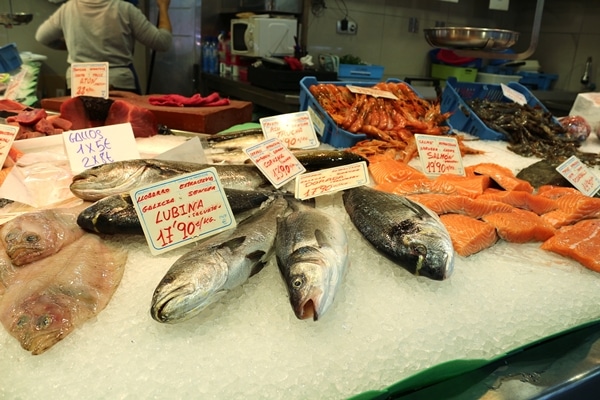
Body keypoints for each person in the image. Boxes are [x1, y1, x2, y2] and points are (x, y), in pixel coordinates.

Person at [35, 0, 172, 94]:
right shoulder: (125, 9)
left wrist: (73, 46)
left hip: (80, 84)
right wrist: (163, 7)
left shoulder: (68, 8)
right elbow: (162, 42)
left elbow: (42, 37)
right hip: (119, 83)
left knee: (82, 133)